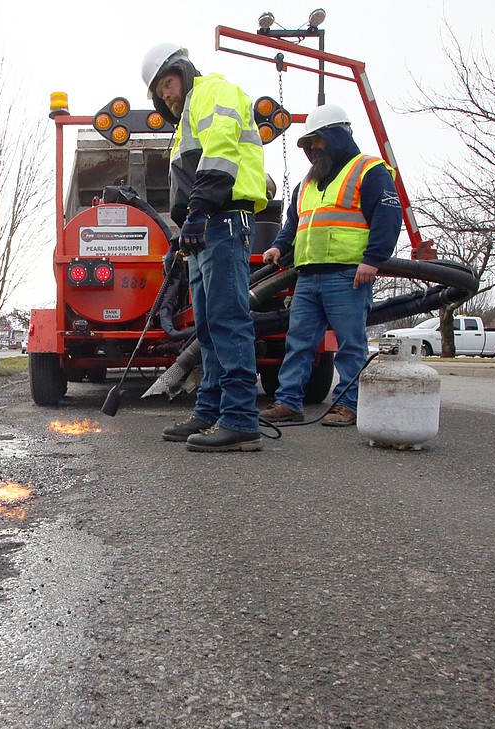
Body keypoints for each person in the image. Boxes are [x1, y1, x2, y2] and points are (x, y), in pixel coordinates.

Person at [144, 44, 270, 452]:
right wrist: (182, 232)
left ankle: (239, 419)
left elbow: (221, 153)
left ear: (182, 70)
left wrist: (198, 211)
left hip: (223, 219)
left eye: (168, 83)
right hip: (205, 226)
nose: (168, 95)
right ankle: (211, 409)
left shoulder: (214, 93)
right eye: (161, 93)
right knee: (208, 325)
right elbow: (192, 177)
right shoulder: (187, 118)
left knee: (227, 318)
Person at [259, 104, 402, 427]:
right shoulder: (306, 185)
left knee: (350, 344)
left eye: (318, 142)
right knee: (298, 343)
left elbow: (388, 216)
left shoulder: (369, 171)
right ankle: (288, 402)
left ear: (337, 137)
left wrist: (373, 260)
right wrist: (279, 247)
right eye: (309, 144)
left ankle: (347, 405)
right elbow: (293, 225)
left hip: (348, 275)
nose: (312, 149)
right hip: (308, 276)